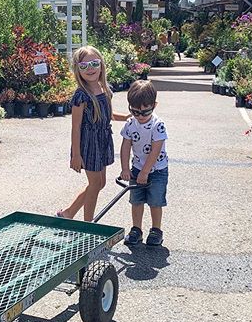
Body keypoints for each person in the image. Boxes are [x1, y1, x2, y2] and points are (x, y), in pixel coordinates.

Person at [57, 46, 127, 221]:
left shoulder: (105, 89)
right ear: (77, 69)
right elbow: (76, 127)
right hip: (88, 144)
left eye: (94, 63)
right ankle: (88, 224)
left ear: (101, 65)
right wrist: (76, 155)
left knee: (100, 183)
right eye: (84, 66)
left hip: (102, 140)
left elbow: (107, 114)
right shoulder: (81, 96)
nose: (90, 69)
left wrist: (126, 117)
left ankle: (68, 213)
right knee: (95, 184)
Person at [119, 80, 169, 246]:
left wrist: (146, 172)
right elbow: (126, 146)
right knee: (136, 200)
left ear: (154, 105)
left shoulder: (158, 125)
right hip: (137, 168)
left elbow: (155, 151)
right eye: (135, 112)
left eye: (144, 112)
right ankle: (136, 229)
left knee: (155, 201)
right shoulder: (130, 124)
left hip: (157, 170)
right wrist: (125, 169)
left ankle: (156, 230)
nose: (140, 116)